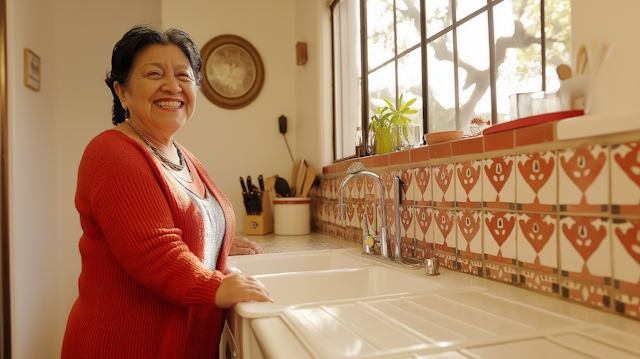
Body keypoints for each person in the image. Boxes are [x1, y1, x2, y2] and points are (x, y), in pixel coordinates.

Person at [61, 26, 273, 359]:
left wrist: (214, 241)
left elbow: (173, 225)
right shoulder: (110, 152)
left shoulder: (183, 157)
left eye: (183, 76)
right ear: (122, 92)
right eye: (154, 73)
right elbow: (154, 251)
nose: (172, 86)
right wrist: (219, 285)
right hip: (125, 345)